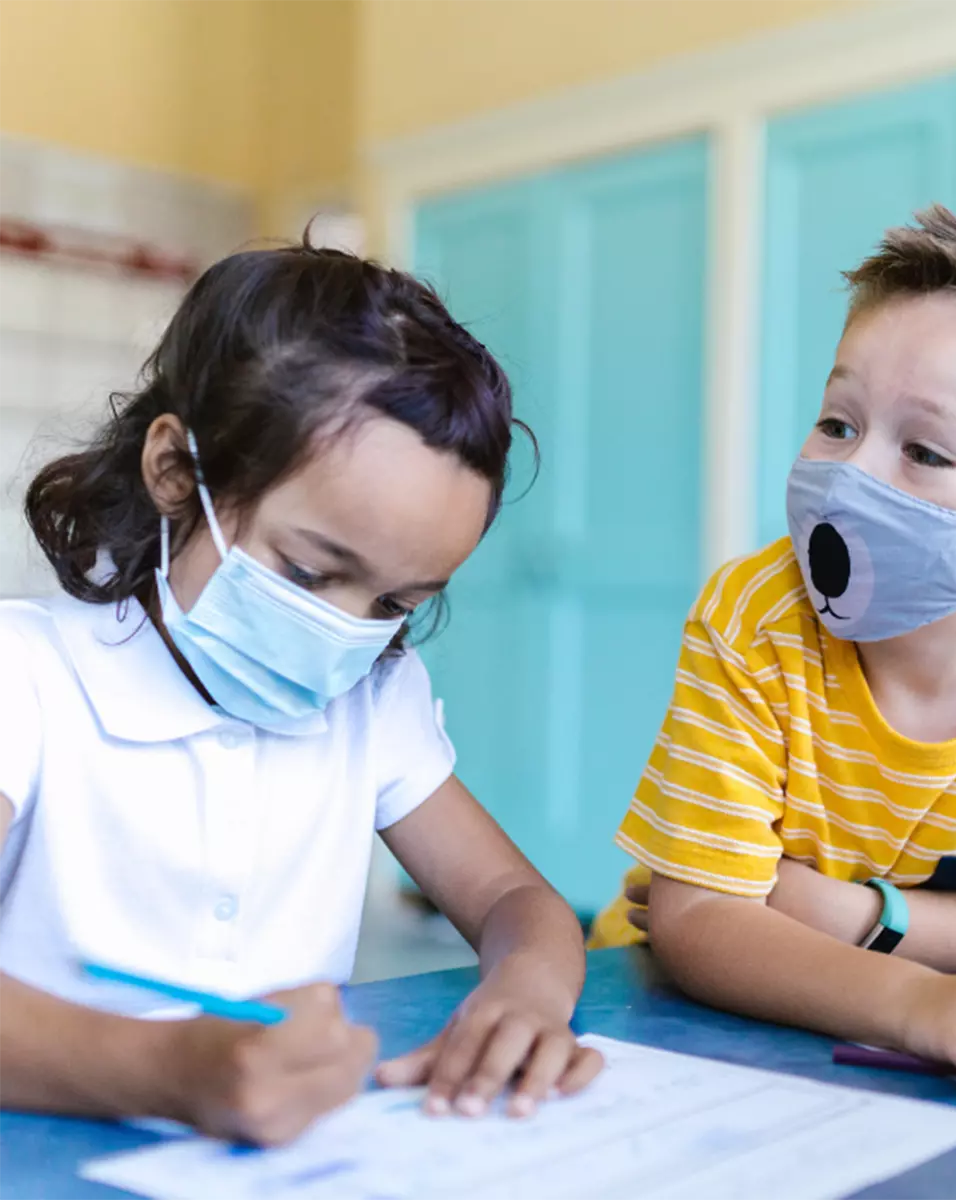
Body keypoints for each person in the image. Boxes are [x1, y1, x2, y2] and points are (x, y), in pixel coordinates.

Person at [0, 241, 602, 1145]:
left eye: (395, 603)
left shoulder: (374, 699)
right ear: (175, 471)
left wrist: (527, 993)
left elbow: (517, 900)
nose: (348, 633)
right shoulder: (29, 675)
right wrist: (167, 1072)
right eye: (312, 570)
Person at [589, 207, 956, 1098]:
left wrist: (847, 913)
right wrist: (916, 1003)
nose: (851, 475)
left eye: (925, 450)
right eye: (838, 422)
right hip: (669, 1021)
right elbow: (696, 919)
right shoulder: (753, 616)